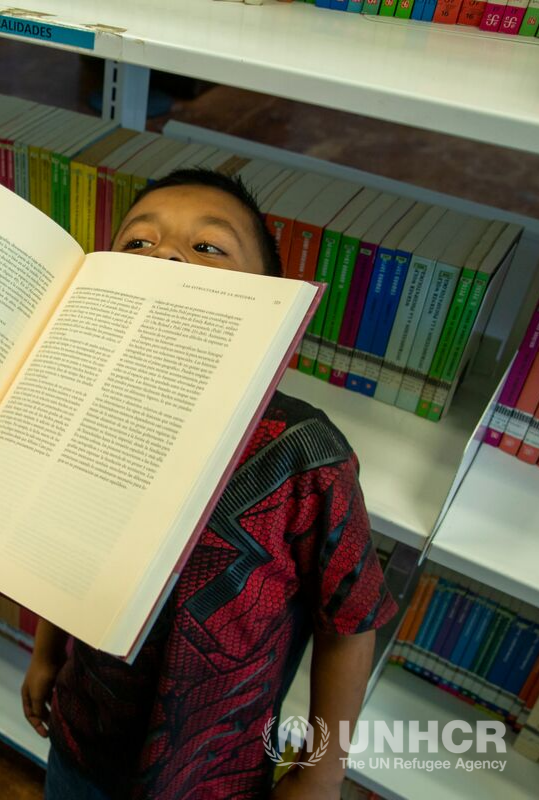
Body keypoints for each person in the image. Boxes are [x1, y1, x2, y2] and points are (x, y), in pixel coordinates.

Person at [21, 169, 399, 800]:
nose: (165, 253)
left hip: (217, 772)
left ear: (272, 301)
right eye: (138, 243)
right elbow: (68, 553)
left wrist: (324, 770)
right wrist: (44, 657)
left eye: (208, 247)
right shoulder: (88, 410)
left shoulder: (306, 454)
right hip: (85, 738)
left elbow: (350, 622)